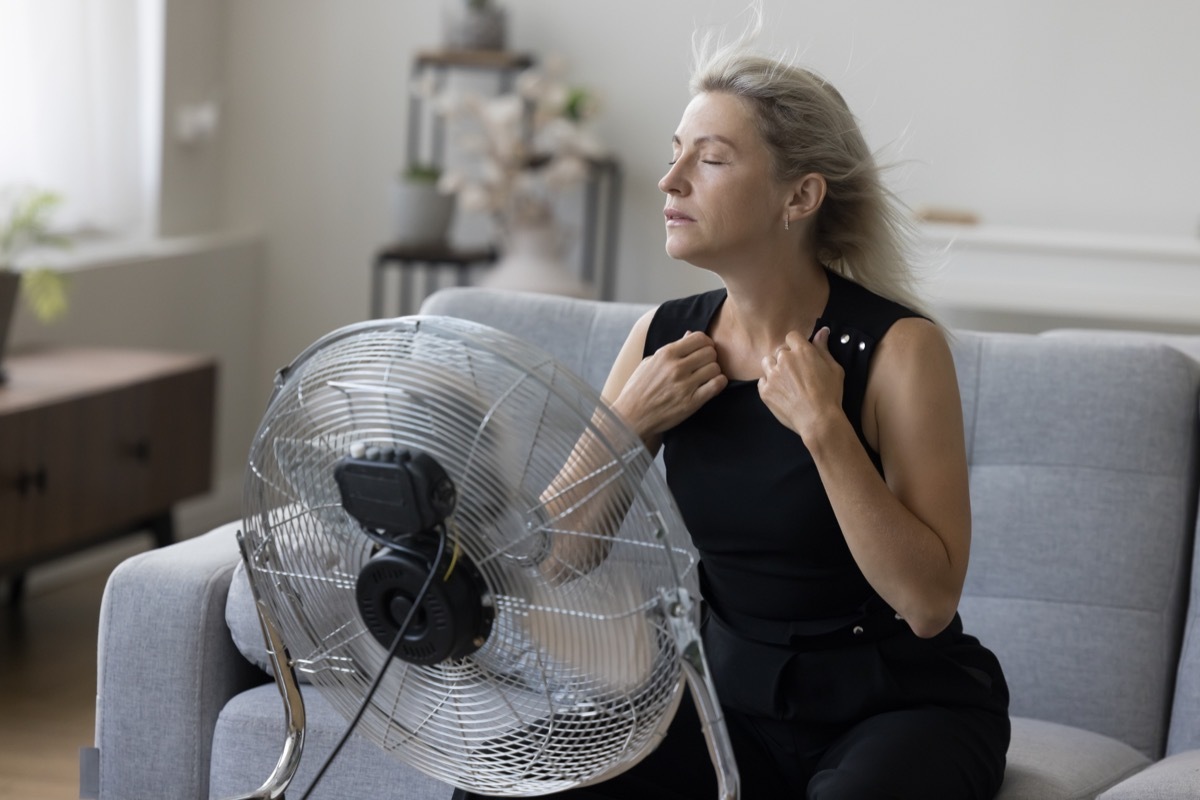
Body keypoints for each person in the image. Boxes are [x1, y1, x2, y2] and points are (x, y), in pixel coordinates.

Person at [455, 21, 1010, 800]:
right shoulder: (663, 337)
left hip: (902, 705)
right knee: (509, 783)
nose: (671, 180)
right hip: (727, 704)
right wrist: (627, 427)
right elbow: (558, 556)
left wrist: (826, 429)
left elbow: (926, 604)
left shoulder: (899, 350)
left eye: (710, 159)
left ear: (801, 195)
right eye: (674, 153)